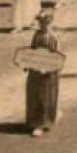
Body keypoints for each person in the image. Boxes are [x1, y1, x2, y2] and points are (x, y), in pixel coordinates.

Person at [23, 9, 61, 138]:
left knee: (45, 96)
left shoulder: (52, 37)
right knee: (34, 94)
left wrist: (48, 67)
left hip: (47, 72)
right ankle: (34, 121)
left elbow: (56, 56)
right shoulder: (37, 34)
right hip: (35, 70)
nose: (42, 25)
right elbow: (32, 49)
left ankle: (42, 122)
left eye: (45, 22)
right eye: (40, 22)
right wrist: (27, 62)